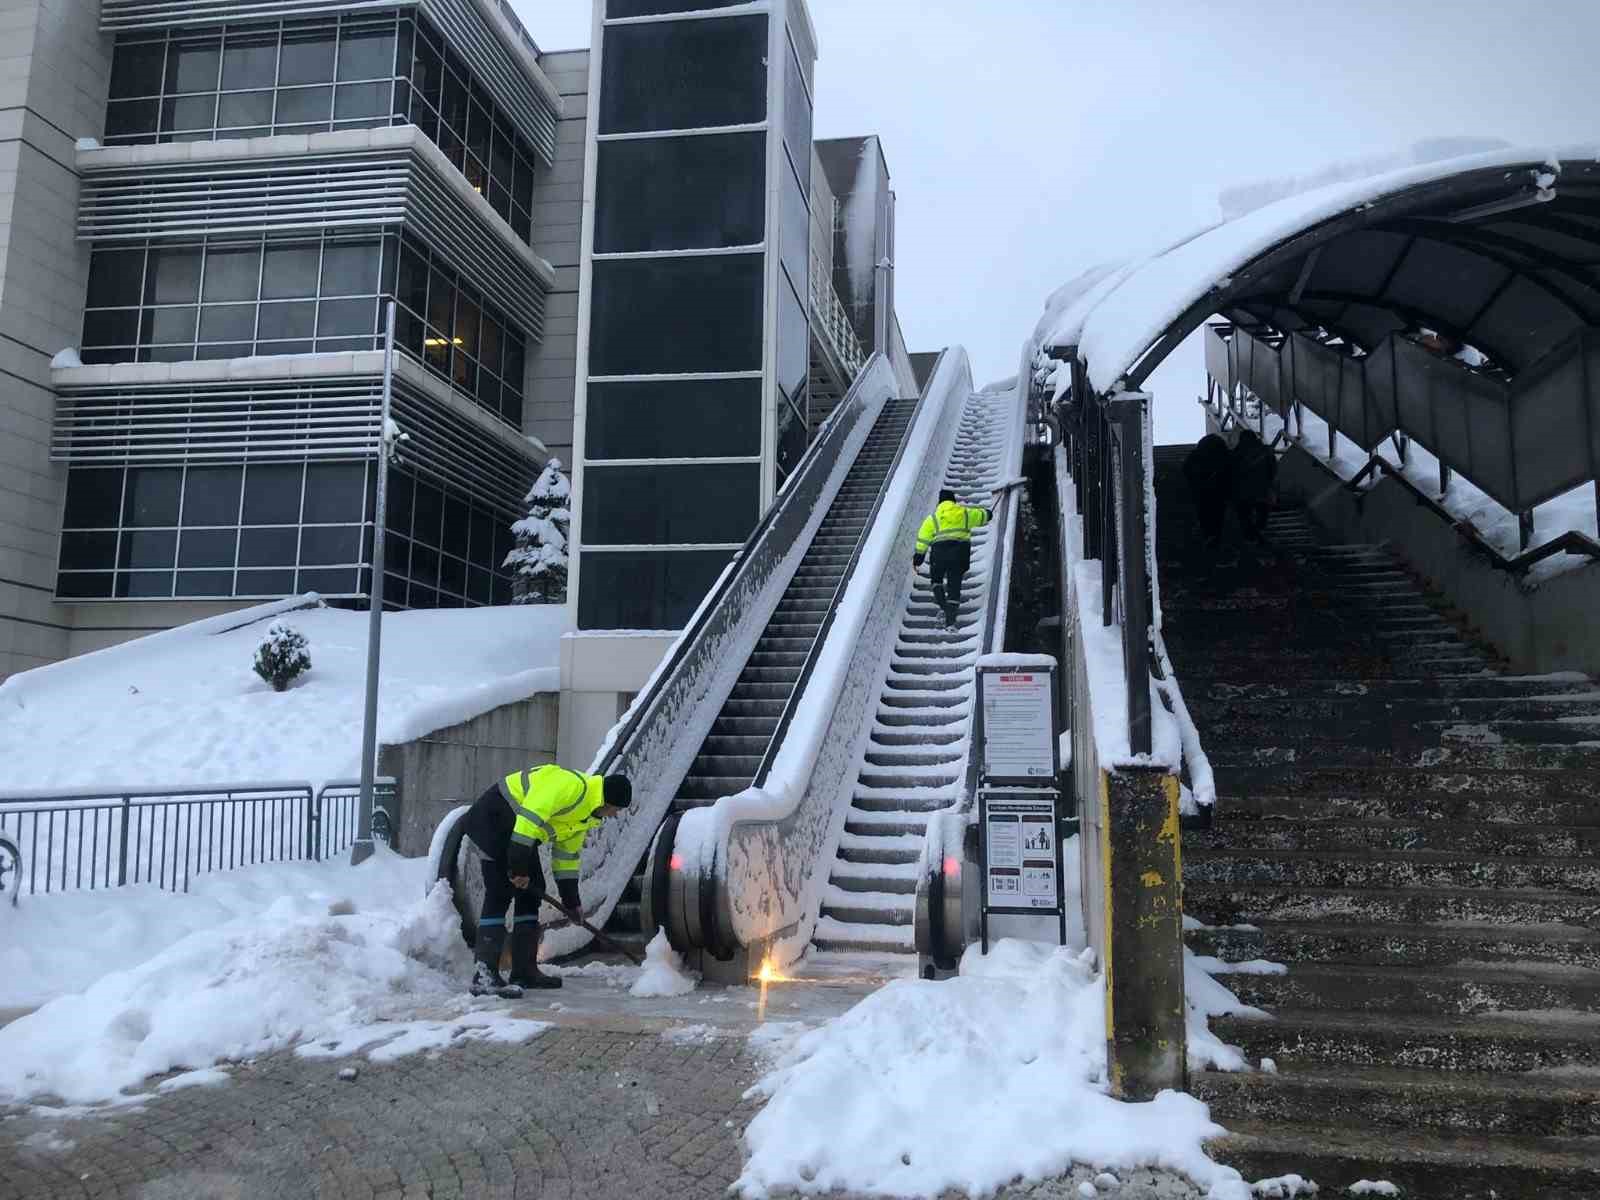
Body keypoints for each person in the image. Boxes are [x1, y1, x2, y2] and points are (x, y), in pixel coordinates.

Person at [459, 764, 632, 996]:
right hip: (493, 817)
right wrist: (518, 868)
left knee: (533, 891)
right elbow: (529, 819)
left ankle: (524, 971)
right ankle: (484, 975)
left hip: (518, 833)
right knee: (499, 892)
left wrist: (573, 904)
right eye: (616, 809)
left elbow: (566, 860)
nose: (615, 815)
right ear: (607, 802)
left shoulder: (585, 818)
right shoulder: (572, 788)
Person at [913, 488, 992, 629]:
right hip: (959, 555)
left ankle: (944, 605)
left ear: (940, 503)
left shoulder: (933, 518)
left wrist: (918, 558)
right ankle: (951, 622)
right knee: (954, 585)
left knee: (936, 580)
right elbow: (981, 515)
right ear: (953, 501)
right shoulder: (964, 513)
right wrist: (988, 513)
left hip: (939, 555)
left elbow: (923, 540)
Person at [1182, 433, 1233, 549]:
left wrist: (1195, 484)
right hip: (1219, 492)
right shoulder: (1223, 455)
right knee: (1218, 514)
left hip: (1203, 492)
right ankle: (1215, 537)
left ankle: (1208, 535)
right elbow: (1231, 471)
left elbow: (1186, 469)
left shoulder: (1196, 456)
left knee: (1204, 513)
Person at [1229, 428, 1277, 544]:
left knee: (1244, 515)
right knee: (1262, 512)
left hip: (1243, 493)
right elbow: (1273, 468)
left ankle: (1250, 537)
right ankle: (1260, 532)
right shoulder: (1265, 450)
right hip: (1263, 490)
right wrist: (1268, 482)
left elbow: (1231, 473)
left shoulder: (1236, 453)